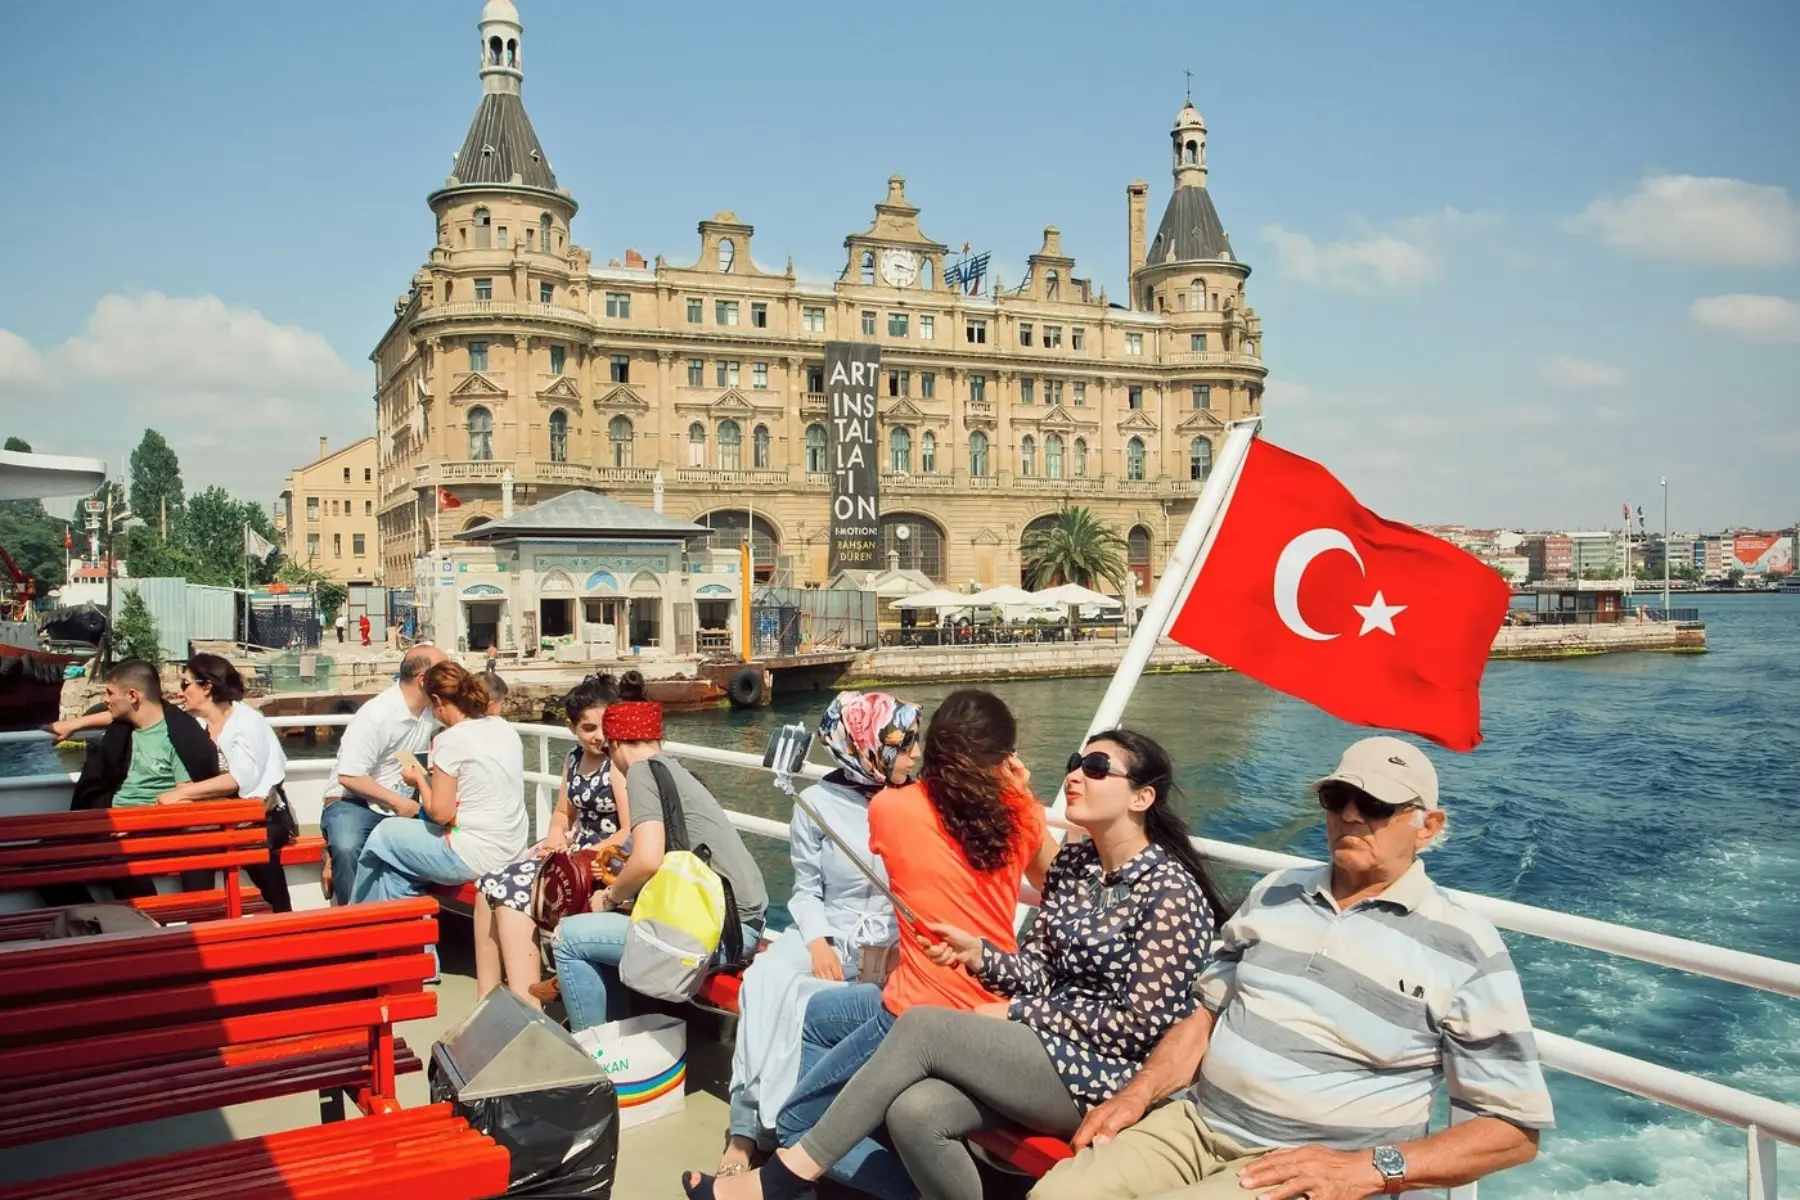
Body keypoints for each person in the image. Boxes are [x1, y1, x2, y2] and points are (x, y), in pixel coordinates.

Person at [686, 729, 1227, 1200]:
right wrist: (980, 954)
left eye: (1096, 767)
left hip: (1101, 1072)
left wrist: (1018, 1014)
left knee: (922, 1022)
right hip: (1044, 1049)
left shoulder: (1170, 892)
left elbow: (1141, 1025)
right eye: (1074, 762)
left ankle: (783, 1179)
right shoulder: (1079, 865)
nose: (1075, 775)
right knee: (916, 1112)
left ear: (1142, 797)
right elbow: (1040, 969)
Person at [1031, 737, 1555, 1200]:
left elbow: (1511, 1129)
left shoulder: (1465, 948)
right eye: (1336, 799)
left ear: (1428, 826)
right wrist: (1138, 1093)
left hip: (1307, 1166)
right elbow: (1204, 1018)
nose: (1349, 815)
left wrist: (1372, 1169)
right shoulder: (1276, 892)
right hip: (1194, 1123)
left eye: (1374, 804)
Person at [772, 688, 1057, 1200]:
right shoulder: (1021, 815)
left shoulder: (890, 809)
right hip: (992, 1005)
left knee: (795, 1123)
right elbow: (1061, 881)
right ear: (1005, 758)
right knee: (818, 1016)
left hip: (916, 1009)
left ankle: (903, 1187)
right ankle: (860, 1125)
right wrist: (1018, 795)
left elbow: (926, 835)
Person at [717, 691, 923, 1180]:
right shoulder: (813, 803)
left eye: (914, 741)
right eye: (903, 742)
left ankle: (810, 1123)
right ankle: (746, 1129)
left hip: (899, 941)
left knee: (821, 1005)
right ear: (863, 745)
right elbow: (806, 890)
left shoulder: (922, 800)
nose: (915, 753)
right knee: (768, 982)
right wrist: (817, 943)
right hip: (831, 928)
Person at [550, 675, 769, 1031]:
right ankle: (623, 1034)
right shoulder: (673, 769)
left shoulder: (640, 772)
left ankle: (602, 1056)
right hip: (740, 924)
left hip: (719, 934)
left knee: (568, 938)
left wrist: (607, 897)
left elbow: (648, 858)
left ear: (617, 744)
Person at [63, 654, 297, 911]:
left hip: (263, 814)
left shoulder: (246, 723)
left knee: (249, 844)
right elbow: (134, 711)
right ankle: (187, 922)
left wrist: (182, 793)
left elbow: (241, 780)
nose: (180, 690)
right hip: (220, 814)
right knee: (199, 839)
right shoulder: (194, 722)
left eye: (186, 684)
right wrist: (75, 724)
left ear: (207, 687)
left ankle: (280, 916)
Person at [474, 674, 630, 1004]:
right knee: (487, 885)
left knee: (512, 892)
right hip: (572, 851)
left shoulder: (615, 765)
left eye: (604, 727)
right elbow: (562, 813)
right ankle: (485, 997)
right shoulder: (574, 760)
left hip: (603, 858)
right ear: (572, 728)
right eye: (588, 728)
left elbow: (627, 830)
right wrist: (554, 837)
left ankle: (527, 1001)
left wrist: (581, 853)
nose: (599, 737)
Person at [45, 659, 223, 905]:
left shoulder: (180, 737)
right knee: (42, 854)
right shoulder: (127, 726)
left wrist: (139, 824)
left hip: (147, 830)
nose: (105, 700)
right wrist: (74, 724)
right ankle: (90, 920)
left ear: (132, 696)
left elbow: (186, 800)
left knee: (118, 858)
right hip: (109, 821)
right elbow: (113, 715)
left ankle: (145, 919)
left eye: (109, 693)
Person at [350, 661, 528, 905]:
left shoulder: (450, 739)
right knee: (395, 872)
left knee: (380, 837)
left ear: (437, 700)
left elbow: (441, 814)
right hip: (512, 846)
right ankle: (407, 937)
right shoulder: (503, 728)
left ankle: (358, 915)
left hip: (473, 854)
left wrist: (420, 780)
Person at [319, 644, 445, 903]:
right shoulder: (377, 715)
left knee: (441, 842)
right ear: (423, 679)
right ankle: (359, 928)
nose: (450, 677)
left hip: (399, 804)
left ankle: (409, 921)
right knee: (347, 847)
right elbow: (350, 776)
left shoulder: (433, 712)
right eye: (443, 672)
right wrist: (400, 804)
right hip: (353, 802)